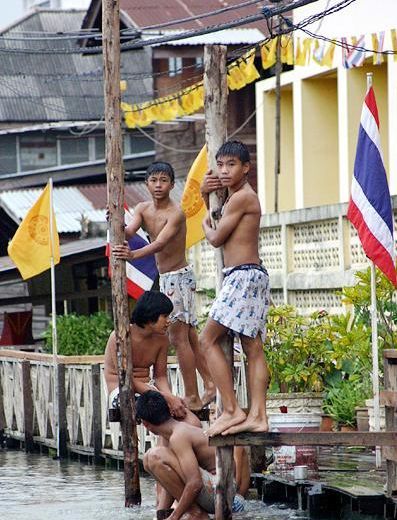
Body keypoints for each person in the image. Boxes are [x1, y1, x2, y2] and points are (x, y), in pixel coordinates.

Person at [112, 161, 215, 412]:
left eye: (164, 180)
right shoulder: (143, 208)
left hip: (178, 276)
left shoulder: (176, 213)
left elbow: (160, 243)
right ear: (146, 184)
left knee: (178, 338)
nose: (158, 185)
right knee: (189, 335)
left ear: (171, 184)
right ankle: (210, 384)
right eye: (154, 180)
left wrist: (134, 256)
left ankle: (192, 396)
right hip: (166, 277)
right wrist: (114, 221)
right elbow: (129, 231)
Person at [199, 140, 270, 437]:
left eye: (232, 165)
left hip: (243, 275)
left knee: (206, 340)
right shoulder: (234, 197)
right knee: (252, 348)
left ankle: (232, 409)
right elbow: (223, 221)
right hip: (244, 275)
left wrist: (204, 224)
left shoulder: (243, 197)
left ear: (246, 168)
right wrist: (206, 195)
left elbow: (216, 237)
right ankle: (257, 416)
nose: (225, 170)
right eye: (221, 164)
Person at [137, 390, 249, 520]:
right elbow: (171, 480)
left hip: (219, 493)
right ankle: (190, 512)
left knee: (154, 456)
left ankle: (196, 513)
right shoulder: (175, 432)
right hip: (217, 490)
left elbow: (195, 483)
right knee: (150, 459)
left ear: (145, 424)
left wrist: (175, 516)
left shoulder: (179, 435)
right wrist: (160, 515)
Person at [104, 290, 201, 424]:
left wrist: (170, 397)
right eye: (165, 316)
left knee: (186, 416)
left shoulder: (162, 339)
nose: (169, 321)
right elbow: (126, 379)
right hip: (121, 390)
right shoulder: (120, 336)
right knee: (158, 408)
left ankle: (168, 444)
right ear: (151, 315)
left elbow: (160, 376)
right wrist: (164, 397)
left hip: (150, 390)